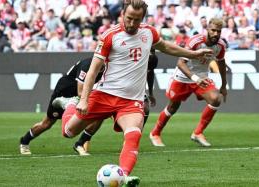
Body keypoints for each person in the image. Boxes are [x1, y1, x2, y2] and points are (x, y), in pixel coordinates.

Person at [55, 0, 212, 186]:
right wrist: (83, 100)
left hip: (131, 101)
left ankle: (124, 176)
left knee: (133, 134)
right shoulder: (109, 36)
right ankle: (69, 104)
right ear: (122, 14)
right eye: (129, 18)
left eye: (137, 20)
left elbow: (167, 47)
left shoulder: (149, 32)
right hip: (104, 94)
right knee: (68, 132)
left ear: (142, 18)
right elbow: (93, 70)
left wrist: (194, 54)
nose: (131, 23)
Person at [149, 17, 227, 148]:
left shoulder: (220, 46)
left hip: (202, 77)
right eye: (213, 30)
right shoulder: (195, 41)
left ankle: (198, 133)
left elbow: (222, 63)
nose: (216, 34)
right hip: (183, 78)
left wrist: (224, 86)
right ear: (207, 29)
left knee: (216, 99)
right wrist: (195, 78)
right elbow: (180, 63)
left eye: (219, 31)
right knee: (173, 107)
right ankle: (155, 133)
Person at [70, 48, 158, 156]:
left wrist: (151, 93)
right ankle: (80, 142)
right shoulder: (127, 52)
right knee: (98, 118)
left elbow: (150, 73)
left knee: (145, 107)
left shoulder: (151, 57)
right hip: (112, 86)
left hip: (131, 89)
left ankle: (132, 142)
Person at [19, 57, 105, 155]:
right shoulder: (87, 65)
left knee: (100, 115)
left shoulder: (108, 66)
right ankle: (24, 141)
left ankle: (80, 144)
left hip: (79, 96)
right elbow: (80, 92)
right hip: (64, 93)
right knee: (47, 123)